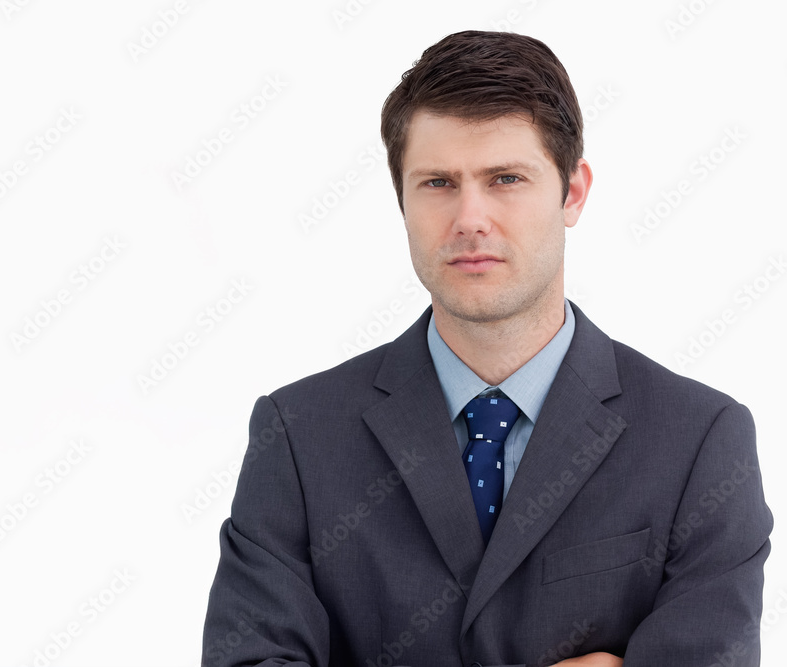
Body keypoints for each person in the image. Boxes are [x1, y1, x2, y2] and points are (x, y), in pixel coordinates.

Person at [201, 30, 772, 667]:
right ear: (402, 200)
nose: (470, 218)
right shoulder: (299, 435)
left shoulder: (699, 439)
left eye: (505, 178)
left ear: (573, 192)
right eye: (438, 183)